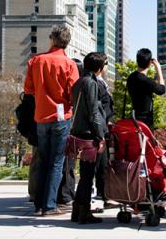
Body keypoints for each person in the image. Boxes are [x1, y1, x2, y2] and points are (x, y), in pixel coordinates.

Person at [23, 24, 79, 216]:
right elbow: (74, 94)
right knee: (57, 162)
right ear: (67, 42)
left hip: (41, 116)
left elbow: (28, 90)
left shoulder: (36, 61)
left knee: (43, 160)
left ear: (52, 39)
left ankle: (39, 204)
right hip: (61, 117)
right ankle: (49, 206)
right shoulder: (70, 64)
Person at [70, 52, 108, 224]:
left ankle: (77, 210)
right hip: (89, 134)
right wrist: (100, 137)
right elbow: (94, 112)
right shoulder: (91, 83)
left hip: (78, 131)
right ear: (99, 68)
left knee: (85, 174)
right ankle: (83, 213)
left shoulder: (78, 82)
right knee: (87, 175)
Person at [94, 58, 116, 209]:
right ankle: (104, 195)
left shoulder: (100, 81)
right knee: (101, 163)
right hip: (100, 128)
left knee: (104, 162)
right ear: (102, 67)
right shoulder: (95, 82)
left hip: (104, 125)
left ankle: (105, 194)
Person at [126, 48, 165, 128]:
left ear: (137, 61)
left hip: (134, 117)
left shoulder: (131, 77)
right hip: (145, 120)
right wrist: (159, 69)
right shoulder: (147, 81)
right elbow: (162, 90)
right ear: (149, 63)